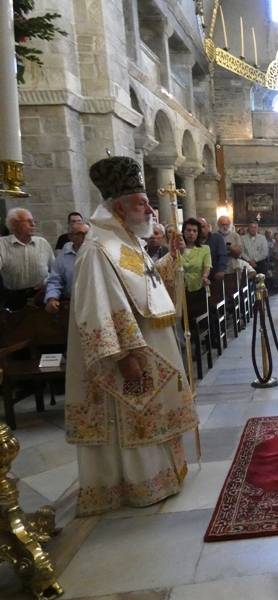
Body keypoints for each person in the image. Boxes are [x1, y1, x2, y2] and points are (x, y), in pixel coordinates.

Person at [65, 156, 198, 516]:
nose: (150, 210)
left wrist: (170, 259)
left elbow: (145, 285)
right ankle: (133, 485)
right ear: (119, 207)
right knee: (131, 416)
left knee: (152, 412)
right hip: (130, 355)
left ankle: (161, 476)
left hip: (150, 345)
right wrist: (123, 356)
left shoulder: (126, 240)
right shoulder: (97, 249)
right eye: (142, 203)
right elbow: (97, 307)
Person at [0, 207, 55, 310]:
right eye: (28, 221)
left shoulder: (42, 243)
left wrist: (48, 285)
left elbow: (55, 270)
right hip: (14, 297)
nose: (33, 224)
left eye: (33, 221)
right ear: (14, 224)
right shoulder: (2, 244)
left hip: (40, 295)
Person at [44, 223, 89, 313]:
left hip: (93, 303)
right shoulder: (63, 258)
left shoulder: (98, 255)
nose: (85, 237)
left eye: (87, 233)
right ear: (70, 236)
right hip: (72, 304)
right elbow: (55, 281)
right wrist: (52, 299)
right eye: (80, 234)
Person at [181, 218, 211, 292]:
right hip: (181, 288)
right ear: (183, 232)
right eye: (188, 230)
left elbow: (207, 266)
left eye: (195, 231)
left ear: (198, 233)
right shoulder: (177, 249)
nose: (191, 233)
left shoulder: (204, 249)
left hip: (198, 287)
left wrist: (204, 277)